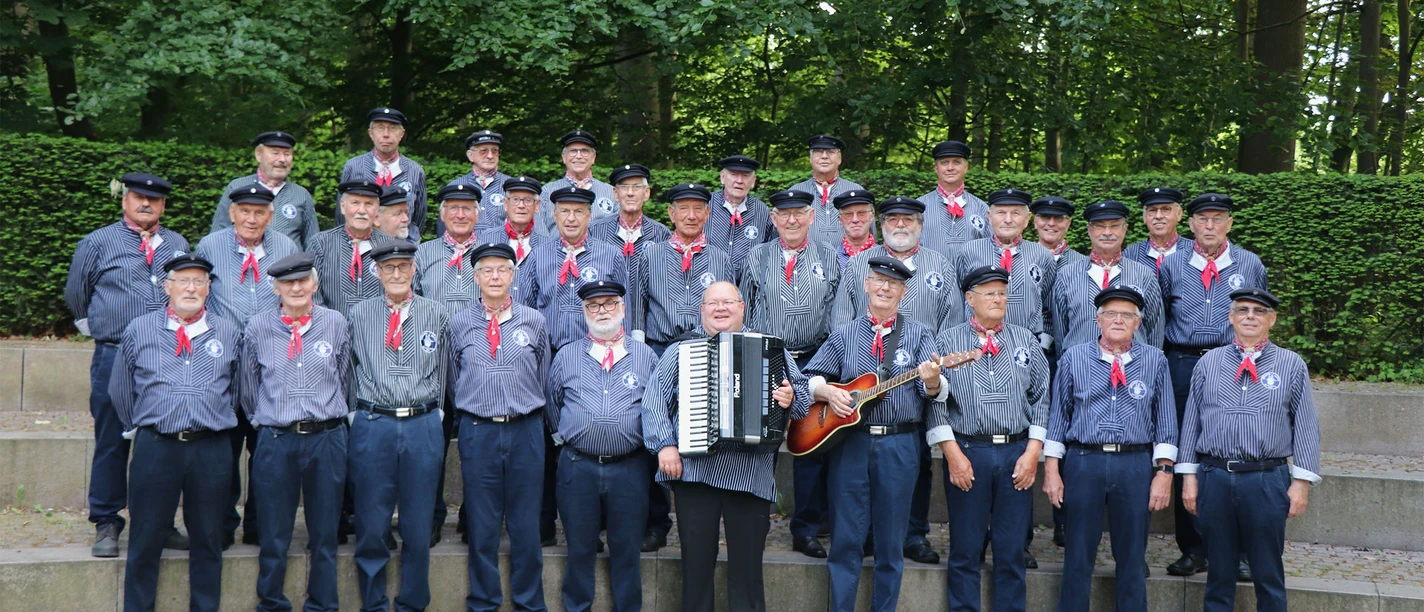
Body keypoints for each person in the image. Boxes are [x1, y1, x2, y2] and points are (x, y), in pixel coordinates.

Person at [642, 281, 809, 612]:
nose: (720, 308)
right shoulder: (680, 350)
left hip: (751, 475)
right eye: (712, 303)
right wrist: (665, 446)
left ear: (742, 306)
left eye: (727, 302)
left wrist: (790, 398)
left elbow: (803, 402)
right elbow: (653, 402)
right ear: (701, 310)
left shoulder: (772, 349)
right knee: (696, 568)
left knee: (748, 573)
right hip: (696, 474)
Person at [806, 256, 951, 611]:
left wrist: (933, 381)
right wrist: (828, 393)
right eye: (879, 281)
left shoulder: (919, 334)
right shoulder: (844, 334)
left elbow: (932, 393)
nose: (885, 288)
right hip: (851, 444)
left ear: (903, 292)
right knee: (845, 540)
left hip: (899, 444)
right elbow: (808, 378)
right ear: (868, 285)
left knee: (890, 542)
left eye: (894, 284)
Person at [64, 172, 191, 558]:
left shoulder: (178, 243)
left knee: (165, 441)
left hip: (166, 355)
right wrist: (102, 331)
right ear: (125, 200)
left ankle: (161, 521)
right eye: (139, 197)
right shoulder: (97, 241)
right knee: (112, 440)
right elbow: (76, 293)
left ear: (163, 205)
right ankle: (106, 521)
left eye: (155, 200)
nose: (146, 204)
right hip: (116, 354)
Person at [831, 195, 963, 565]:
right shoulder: (859, 264)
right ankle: (870, 534)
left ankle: (914, 533)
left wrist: (937, 369)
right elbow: (842, 319)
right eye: (893, 220)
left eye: (909, 220)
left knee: (917, 459)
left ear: (921, 225)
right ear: (882, 224)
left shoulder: (940, 265)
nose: (901, 225)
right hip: (864, 380)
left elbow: (952, 321)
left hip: (922, 373)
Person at [109, 254, 240, 612]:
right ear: (167, 286)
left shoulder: (228, 331)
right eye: (183, 280)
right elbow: (120, 388)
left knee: (210, 539)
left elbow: (241, 390)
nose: (191, 288)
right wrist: (139, 426)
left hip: (211, 448)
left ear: (209, 288)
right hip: (157, 446)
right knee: (145, 537)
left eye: (199, 281)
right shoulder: (140, 329)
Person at [1179, 287, 1320, 612]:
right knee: (1219, 572)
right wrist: (1189, 476)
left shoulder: (1291, 364)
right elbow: (1191, 423)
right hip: (1215, 476)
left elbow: (1307, 425)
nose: (1250, 317)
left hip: (1266, 479)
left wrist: (1300, 483)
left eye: (1259, 312)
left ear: (1271, 319)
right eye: (1243, 310)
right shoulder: (1209, 363)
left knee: (1268, 571)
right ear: (1231, 318)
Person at [1042, 287, 1177, 612]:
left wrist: (1164, 473)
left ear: (1138, 322)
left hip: (1134, 464)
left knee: (1132, 556)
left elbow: (1167, 422)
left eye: (1127, 315)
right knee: (1077, 554)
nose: (1118, 320)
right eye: (1111, 314)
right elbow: (1059, 417)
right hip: (1084, 462)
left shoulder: (1155, 361)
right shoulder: (1073, 358)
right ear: (1097, 319)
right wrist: (1051, 471)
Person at [1157, 192, 1269, 578]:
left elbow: (1261, 316)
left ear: (1229, 224)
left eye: (1217, 219)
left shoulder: (1249, 263)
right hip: (1182, 363)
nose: (1209, 226)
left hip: (1231, 362)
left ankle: (1238, 552)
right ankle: (1194, 547)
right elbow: (1158, 317)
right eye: (1202, 219)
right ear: (1188, 224)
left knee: (1233, 447)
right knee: (1185, 447)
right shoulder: (1171, 265)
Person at [928, 265, 1051, 612]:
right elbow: (935, 402)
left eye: (1002, 293)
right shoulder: (948, 341)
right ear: (969, 299)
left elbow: (1042, 397)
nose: (998, 299)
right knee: (965, 549)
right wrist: (952, 455)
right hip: (968, 450)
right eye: (989, 293)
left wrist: (1032, 454)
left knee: (1011, 551)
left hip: (1016, 452)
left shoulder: (1025, 339)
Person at [238, 252, 350, 612]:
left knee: (325, 533)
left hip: (326, 438)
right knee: (273, 534)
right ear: (276, 288)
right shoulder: (257, 327)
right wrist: (269, 419)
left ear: (315, 285)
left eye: (303, 280)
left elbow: (344, 378)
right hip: (276, 440)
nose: (296, 287)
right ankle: (271, 602)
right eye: (288, 282)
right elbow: (248, 387)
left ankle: (323, 604)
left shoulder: (336, 323)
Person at [195, 183, 300, 548]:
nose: (252, 219)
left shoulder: (286, 248)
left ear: (270, 216)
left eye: (260, 212)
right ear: (232, 213)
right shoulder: (210, 247)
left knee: (268, 452)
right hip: (223, 365)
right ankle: (222, 524)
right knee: (223, 450)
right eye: (246, 211)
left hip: (272, 366)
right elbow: (198, 296)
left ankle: (260, 525)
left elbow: (296, 297)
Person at [449, 243, 552, 612]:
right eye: (486, 270)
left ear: (513, 275)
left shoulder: (534, 321)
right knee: (482, 522)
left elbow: (543, 377)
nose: (494, 277)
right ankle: (484, 600)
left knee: (526, 524)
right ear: (475, 277)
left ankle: (528, 601)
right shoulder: (459, 323)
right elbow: (453, 378)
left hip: (525, 430)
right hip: (479, 431)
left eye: (501, 270)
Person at [346, 242, 449, 612]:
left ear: (414, 270)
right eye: (389, 268)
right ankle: (373, 602)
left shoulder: (435, 314)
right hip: (374, 424)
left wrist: (436, 413)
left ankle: (412, 603)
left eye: (403, 267)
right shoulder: (357, 315)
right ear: (377, 272)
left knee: (418, 526)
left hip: (422, 424)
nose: (396, 274)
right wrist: (354, 415)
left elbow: (446, 368)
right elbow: (347, 369)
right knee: (372, 523)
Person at [739, 189, 841, 558]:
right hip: (768, 354)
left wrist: (830, 364)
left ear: (811, 216)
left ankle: (807, 527)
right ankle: (751, 519)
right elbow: (745, 308)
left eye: (799, 213)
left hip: (816, 357)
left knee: (811, 443)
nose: (792, 220)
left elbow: (838, 314)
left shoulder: (831, 258)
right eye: (784, 214)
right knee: (759, 437)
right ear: (774, 218)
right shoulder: (756, 257)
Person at [546, 280, 658, 612]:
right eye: (594, 306)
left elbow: (657, 406)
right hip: (578, 467)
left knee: (627, 551)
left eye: (610, 304)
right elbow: (554, 405)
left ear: (623, 309)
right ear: (584, 313)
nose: (602, 311)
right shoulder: (567, 355)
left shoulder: (644, 356)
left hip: (629, 468)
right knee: (579, 550)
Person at [413, 181, 485, 545]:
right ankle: (431, 517)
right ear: (441, 215)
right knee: (432, 446)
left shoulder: (489, 253)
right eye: (453, 208)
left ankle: (474, 517)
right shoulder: (422, 254)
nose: (460, 214)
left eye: (467, 208)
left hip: (477, 361)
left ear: (478, 213)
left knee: (475, 442)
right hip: (434, 362)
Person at [1048, 200, 1165, 356]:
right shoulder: (1067, 275)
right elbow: (1060, 332)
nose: (1107, 232)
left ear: (1125, 229)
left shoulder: (1144, 275)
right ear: (1089, 230)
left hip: (1132, 370)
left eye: (1115, 226)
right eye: (1100, 226)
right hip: (1081, 369)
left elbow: (1154, 329)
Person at [632, 183, 734, 357]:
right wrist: (637, 350)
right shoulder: (651, 256)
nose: (691, 216)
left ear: (707, 214)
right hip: (658, 349)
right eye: (684, 209)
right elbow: (638, 305)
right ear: (672, 214)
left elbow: (730, 309)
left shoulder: (721, 259)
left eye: (698, 209)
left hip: (707, 349)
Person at [953, 189, 1057, 355]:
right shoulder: (969, 251)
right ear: (989, 216)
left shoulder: (1042, 255)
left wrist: (1043, 343)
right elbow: (959, 296)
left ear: (1027, 219)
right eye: (1001, 213)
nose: (1008, 220)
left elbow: (1047, 300)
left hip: (1027, 347)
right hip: (975, 345)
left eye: (1015, 213)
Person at [589, 164, 672, 339]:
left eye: (636, 187)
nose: (630, 193)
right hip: (603, 321)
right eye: (624, 187)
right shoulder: (595, 231)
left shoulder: (661, 233)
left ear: (647, 193)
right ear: (615, 194)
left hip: (649, 327)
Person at [210, 131, 320, 249]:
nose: (282, 159)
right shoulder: (237, 187)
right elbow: (216, 236)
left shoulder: (301, 195)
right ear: (259, 155)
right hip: (242, 265)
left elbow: (313, 243)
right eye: (275, 153)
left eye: (287, 154)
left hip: (288, 266)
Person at [335, 107, 427, 243]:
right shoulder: (353, 167)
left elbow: (419, 215)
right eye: (380, 128)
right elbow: (341, 213)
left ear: (402, 134)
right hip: (361, 245)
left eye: (392, 128)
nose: (386, 134)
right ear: (371, 133)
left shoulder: (415, 170)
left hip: (403, 247)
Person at [307, 180, 396, 319]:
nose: (362, 210)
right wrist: (329, 325)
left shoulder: (389, 246)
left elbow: (397, 294)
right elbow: (312, 293)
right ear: (343, 207)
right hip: (330, 331)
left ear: (377, 210)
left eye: (369, 204)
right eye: (355, 203)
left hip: (378, 333)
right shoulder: (321, 244)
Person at [476, 176, 549, 303]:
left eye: (527, 200)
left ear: (537, 206)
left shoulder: (547, 244)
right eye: (515, 199)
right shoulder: (486, 239)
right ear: (505, 203)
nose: (521, 206)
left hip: (533, 320)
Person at [704, 155, 775, 280]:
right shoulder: (705, 205)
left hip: (747, 286)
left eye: (745, 176)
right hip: (708, 283)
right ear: (722, 177)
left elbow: (769, 248)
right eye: (734, 174)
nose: (739, 181)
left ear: (753, 181)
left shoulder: (762, 211)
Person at [789, 135, 866, 248]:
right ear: (810, 159)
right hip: (806, 261)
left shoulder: (856, 191)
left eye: (830, 152)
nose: (824, 156)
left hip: (850, 262)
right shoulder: (796, 193)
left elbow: (870, 232)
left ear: (839, 159)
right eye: (818, 152)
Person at [917, 141, 989, 258]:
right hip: (930, 274)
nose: (950, 168)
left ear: (966, 167)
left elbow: (992, 248)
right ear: (936, 168)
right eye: (944, 163)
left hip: (972, 276)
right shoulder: (919, 207)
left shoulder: (981, 208)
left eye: (956, 162)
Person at [537, 130, 618, 231]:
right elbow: (538, 232)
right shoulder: (547, 192)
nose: (579, 156)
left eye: (584, 151)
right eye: (573, 151)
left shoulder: (611, 193)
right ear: (564, 157)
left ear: (593, 157)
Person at [451, 130, 512, 233]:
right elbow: (445, 227)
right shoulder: (455, 186)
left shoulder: (511, 186)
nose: (490, 156)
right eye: (483, 151)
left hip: (502, 247)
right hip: (466, 247)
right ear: (470, 155)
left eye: (495, 151)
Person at [1124, 187, 1193, 271]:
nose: (1158, 216)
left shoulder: (1194, 251)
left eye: (1166, 209)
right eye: (1152, 210)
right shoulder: (1131, 254)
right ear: (1144, 216)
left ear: (1179, 214)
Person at [1032, 196, 1084, 270]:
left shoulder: (1082, 264)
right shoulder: (1019, 260)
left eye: (1058, 218)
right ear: (1035, 221)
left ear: (1068, 224)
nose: (1051, 223)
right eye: (1045, 216)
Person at [832, 190, 878, 271]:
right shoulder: (829, 259)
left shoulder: (885, 257)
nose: (855, 220)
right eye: (848, 214)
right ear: (840, 219)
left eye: (861, 213)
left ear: (872, 216)